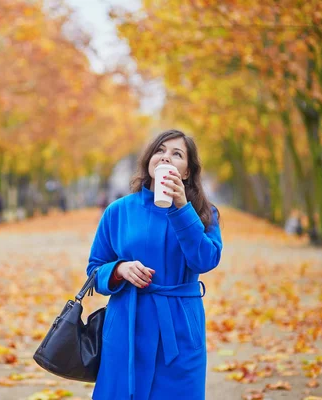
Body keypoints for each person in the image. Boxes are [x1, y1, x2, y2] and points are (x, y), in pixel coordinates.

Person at [86, 129, 222, 400]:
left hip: (180, 326)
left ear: (186, 172)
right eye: (160, 150)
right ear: (149, 160)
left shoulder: (204, 212)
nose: (166, 158)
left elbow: (205, 259)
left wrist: (182, 208)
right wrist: (119, 270)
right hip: (127, 323)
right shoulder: (119, 211)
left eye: (177, 154)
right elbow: (94, 269)